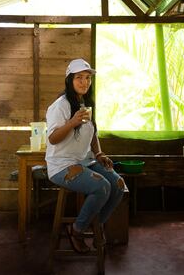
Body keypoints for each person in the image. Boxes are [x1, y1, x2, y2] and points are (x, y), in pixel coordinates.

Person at [45, 58, 125, 253]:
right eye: (79, 77)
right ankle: (78, 230)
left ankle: (93, 225)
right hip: (61, 165)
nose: (84, 82)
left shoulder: (85, 103)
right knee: (102, 186)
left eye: (88, 78)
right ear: (69, 80)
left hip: (85, 161)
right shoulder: (60, 105)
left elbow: (92, 132)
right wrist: (72, 123)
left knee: (118, 185)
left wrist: (99, 153)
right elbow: (53, 139)